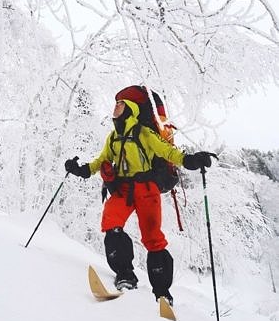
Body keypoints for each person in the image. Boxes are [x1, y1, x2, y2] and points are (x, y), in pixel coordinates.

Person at [65, 90, 215, 305]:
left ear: (131, 110)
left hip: (146, 188)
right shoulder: (113, 137)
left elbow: (167, 151)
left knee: (152, 237)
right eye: (115, 103)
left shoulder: (144, 132)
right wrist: (81, 169)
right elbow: (101, 160)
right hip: (123, 189)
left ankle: (162, 292)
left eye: (120, 104)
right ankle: (125, 274)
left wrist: (189, 160)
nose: (115, 106)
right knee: (111, 221)